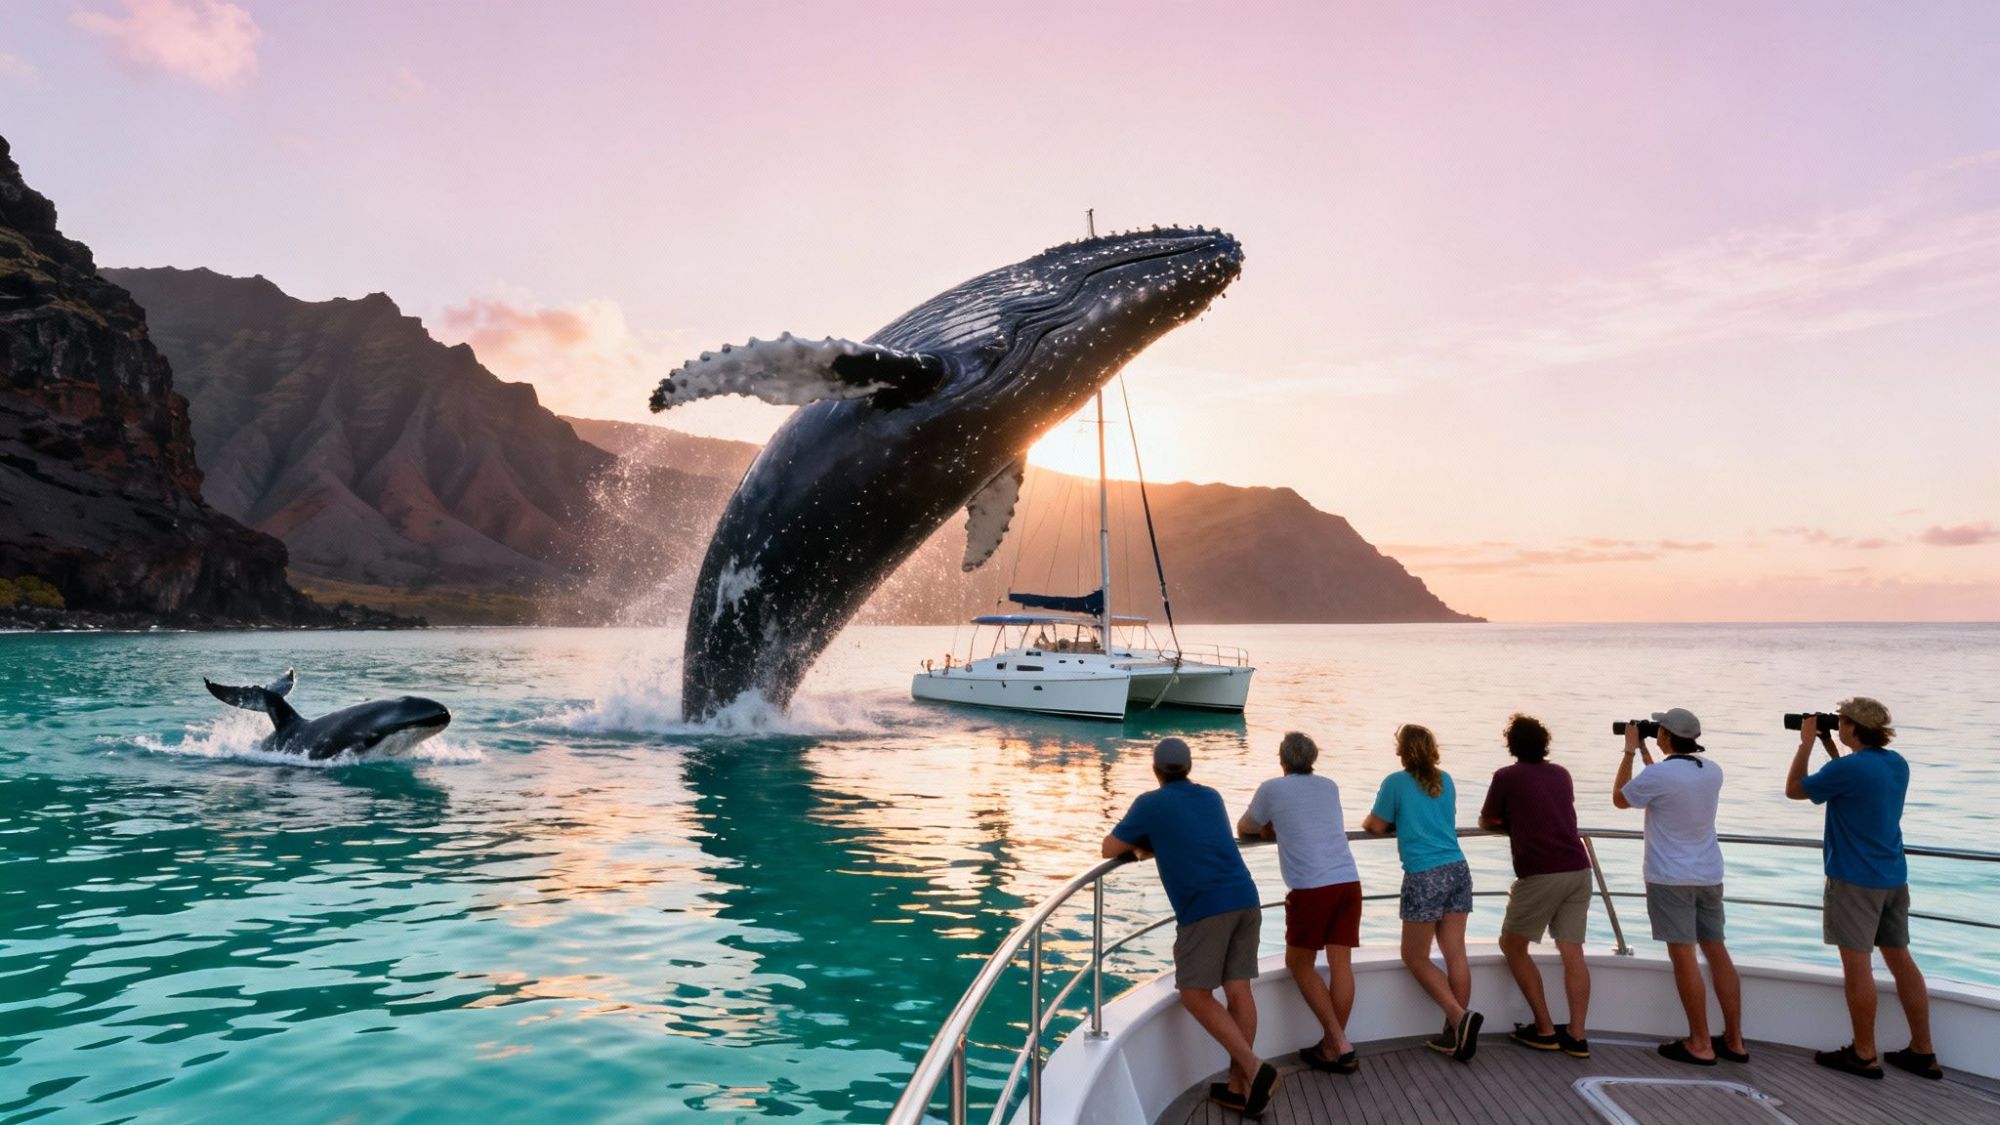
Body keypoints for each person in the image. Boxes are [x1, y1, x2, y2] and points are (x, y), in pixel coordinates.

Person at [1103, 738, 1280, 1115]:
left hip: (1205, 908)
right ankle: (1239, 1087)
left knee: (1194, 994)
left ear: (1155, 770)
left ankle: (1252, 1067)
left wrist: (1142, 847)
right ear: (1189, 766)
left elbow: (1109, 847)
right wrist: (1157, 843)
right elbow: (1190, 833)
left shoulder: (1150, 804)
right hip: (1246, 898)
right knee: (1238, 990)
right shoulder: (1211, 796)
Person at [1785, 698, 1942, 1081]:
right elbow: (1851, 774)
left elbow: (1794, 790)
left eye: (1840, 723)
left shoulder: (1851, 769)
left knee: (1857, 967)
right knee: (1901, 960)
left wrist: (1805, 743)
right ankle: (1923, 1051)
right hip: (1892, 877)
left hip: (1854, 881)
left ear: (1853, 727)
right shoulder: (1895, 763)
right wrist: (1829, 744)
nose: (1837, 726)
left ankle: (1864, 1054)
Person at [1612, 707, 1747, 1066]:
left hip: (1670, 878)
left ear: (1666, 736)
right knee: (1716, 951)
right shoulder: (1711, 770)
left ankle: (1700, 1043)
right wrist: (1645, 751)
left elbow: (1622, 798)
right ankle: (1734, 1040)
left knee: (1684, 955)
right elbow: (1666, 777)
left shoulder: (1661, 775)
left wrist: (1628, 751)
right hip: (1708, 875)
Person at [1238, 732, 1361, 1075]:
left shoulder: (1272, 789)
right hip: (1348, 882)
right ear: (1312, 759)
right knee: (1341, 966)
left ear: (1283, 761)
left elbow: (1246, 826)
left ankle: (1338, 1042)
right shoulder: (1329, 786)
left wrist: (1269, 827)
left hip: (1312, 888)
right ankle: (1332, 1046)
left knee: (1299, 963)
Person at [1362, 724, 1483, 1062]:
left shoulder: (1395, 783)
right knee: (1455, 952)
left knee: (1414, 956)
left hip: (1425, 874)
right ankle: (1454, 1035)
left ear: (1401, 750)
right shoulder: (1446, 780)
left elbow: (1375, 824)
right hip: (1458, 868)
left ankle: (1459, 1019)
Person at [1478, 714, 1593, 1059]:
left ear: (1512, 745)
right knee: (1572, 952)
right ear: (1544, 743)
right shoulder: (1561, 774)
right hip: (1578, 866)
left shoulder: (1506, 777)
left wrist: (1514, 825)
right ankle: (1576, 1035)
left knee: (1512, 945)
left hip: (1541, 871)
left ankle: (1544, 1029)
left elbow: (1488, 818)